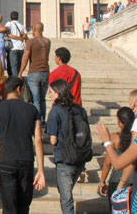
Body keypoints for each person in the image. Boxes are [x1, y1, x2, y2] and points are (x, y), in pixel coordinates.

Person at [0, 77, 46, 213]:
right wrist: (41, 170)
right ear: (19, 89)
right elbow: (38, 140)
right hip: (27, 161)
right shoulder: (32, 109)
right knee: (23, 207)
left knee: (9, 207)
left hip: (6, 161)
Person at [46, 79, 90, 214]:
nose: (49, 95)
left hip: (64, 158)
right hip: (80, 157)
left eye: (51, 92)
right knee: (67, 192)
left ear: (58, 93)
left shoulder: (55, 111)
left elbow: (53, 140)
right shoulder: (80, 110)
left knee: (66, 198)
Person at [99, 107, 135, 206]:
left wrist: (102, 181)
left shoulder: (114, 138)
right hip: (133, 180)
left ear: (119, 121)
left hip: (116, 180)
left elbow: (107, 163)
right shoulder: (136, 137)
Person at [18, 21, 51, 124]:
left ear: (34, 29)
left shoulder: (31, 42)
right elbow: (37, 47)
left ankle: (37, 121)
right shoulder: (47, 41)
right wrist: (27, 40)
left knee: (35, 99)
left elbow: (26, 58)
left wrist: (20, 73)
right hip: (45, 72)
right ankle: (42, 120)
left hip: (34, 72)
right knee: (42, 99)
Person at [4, 11, 27, 77]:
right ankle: (18, 79)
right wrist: (20, 38)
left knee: (13, 67)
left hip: (13, 48)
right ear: (18, 17)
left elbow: (5, 29)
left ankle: (15, 82)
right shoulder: (22, 26)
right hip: (21, 48)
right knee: (18, 66)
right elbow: (25, 36)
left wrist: (10, 35)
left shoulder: (9, 23)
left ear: (10, 17)